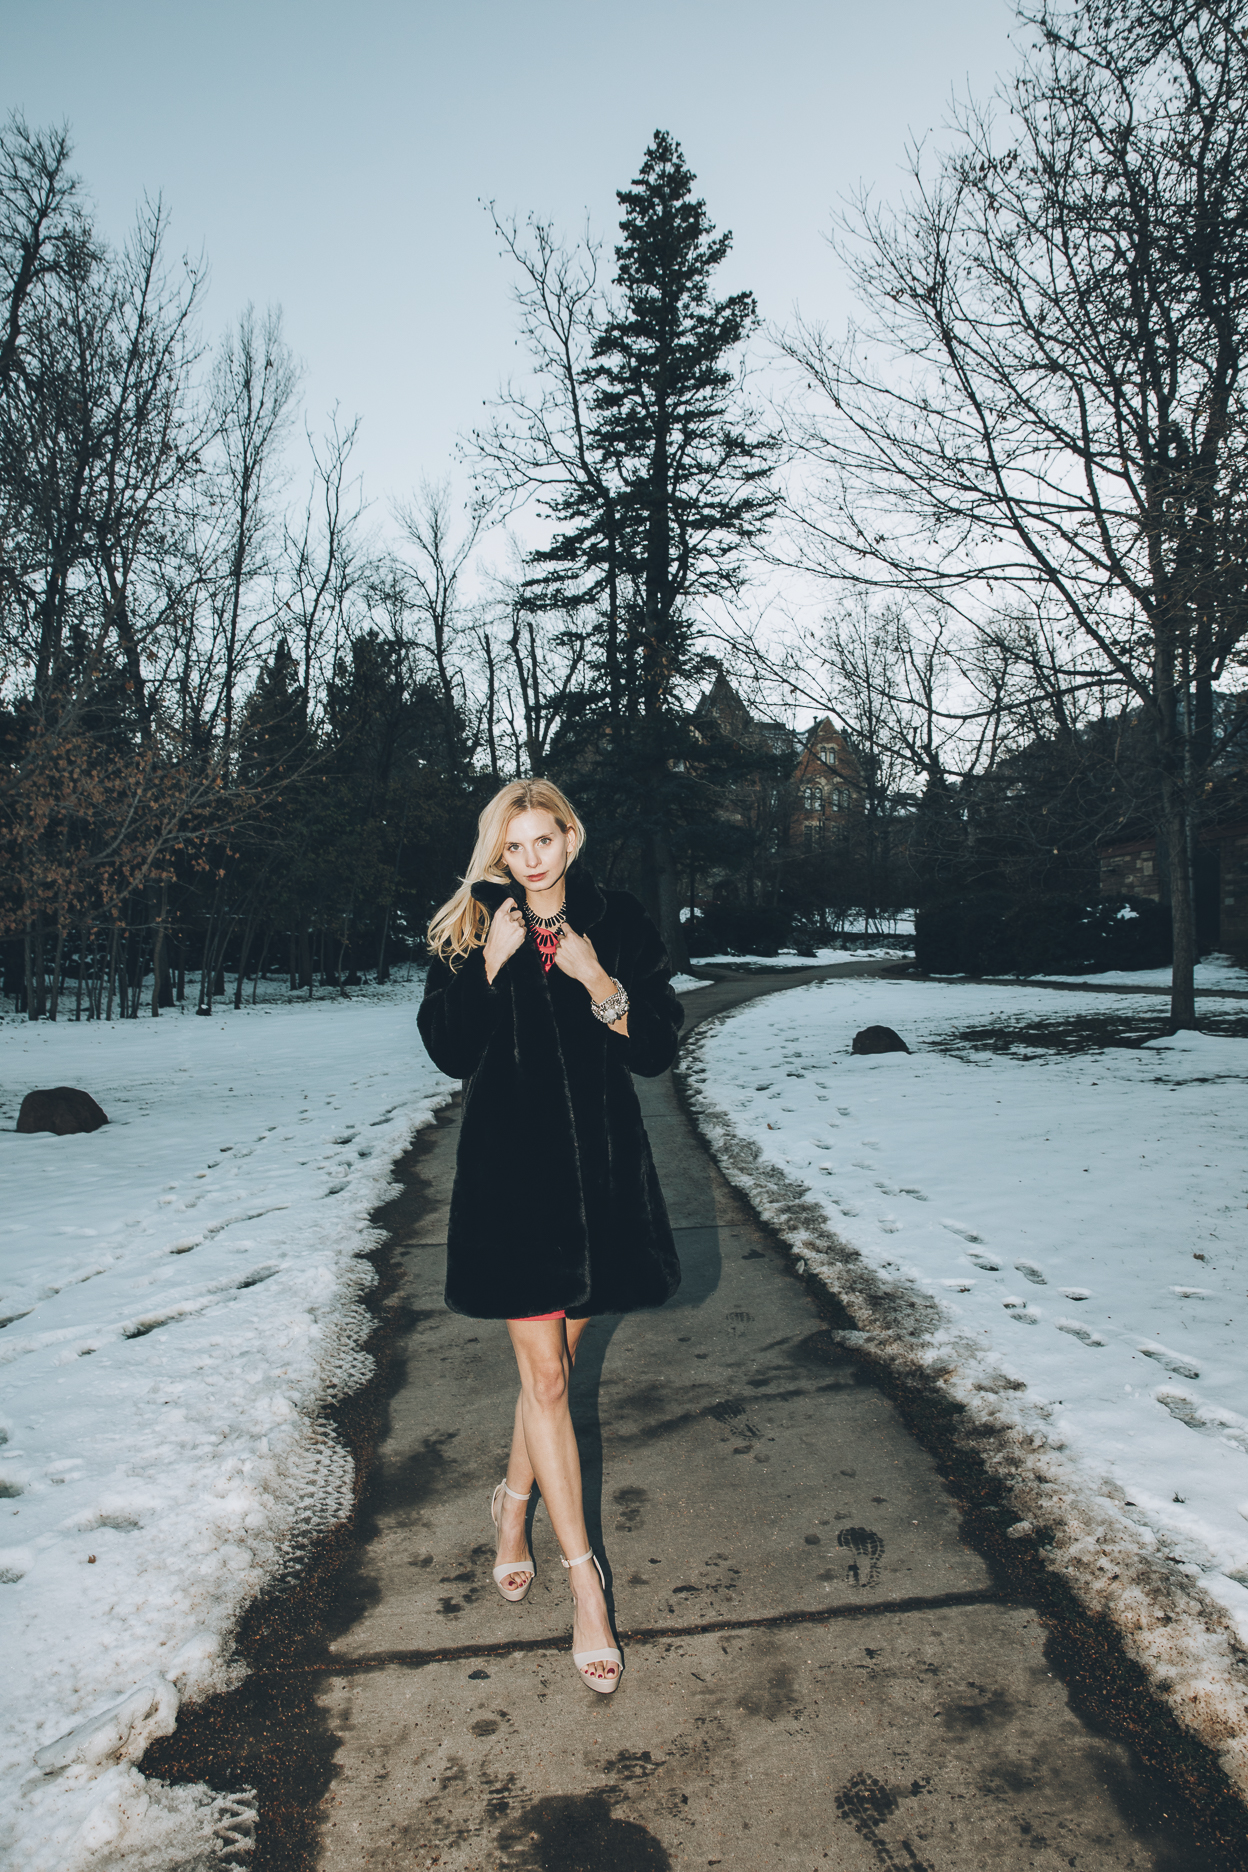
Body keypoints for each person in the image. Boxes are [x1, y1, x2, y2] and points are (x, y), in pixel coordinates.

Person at [417, 779, 683, 1695]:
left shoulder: (618, 921)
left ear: (571, 835)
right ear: (499, 850)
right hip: (512, 1185)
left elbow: (653, 1049)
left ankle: (512, 1501)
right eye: (514, 844)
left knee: (555, 1380)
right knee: (544, 1379)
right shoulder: (467, 928)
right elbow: (450, 1053)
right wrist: (492, 966)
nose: (530, 858)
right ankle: (587, 1590)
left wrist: (597, 978)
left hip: (601, 1181)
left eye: (544, 839)